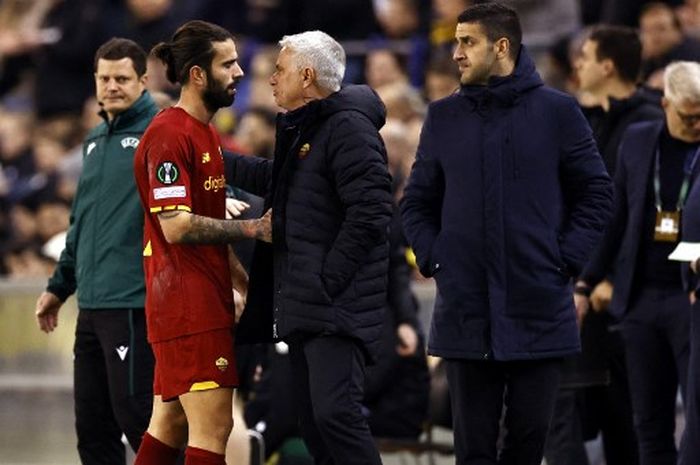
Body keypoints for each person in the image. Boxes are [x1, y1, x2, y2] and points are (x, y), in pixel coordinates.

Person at [399, 3, 614, 464]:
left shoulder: (558, 112)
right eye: (456, 41)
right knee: (472, 451)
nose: (455, 52)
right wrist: (436, 257)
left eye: (466, 42)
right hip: (466, 311)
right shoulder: (443, 117)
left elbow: (596, 193)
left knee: (528, 446)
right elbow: (416, 202)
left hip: (538, 307)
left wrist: (564, 259)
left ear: (501, 47)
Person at [228, 30, 393, 465]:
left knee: (336, 417)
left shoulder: (347, 127)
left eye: (279, 70)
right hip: (306, 305)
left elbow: (374, 212)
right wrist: (212, 154)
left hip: (333, 307)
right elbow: (276, 180)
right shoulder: (310, 129)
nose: (271, 79)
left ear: (306, 76)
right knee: (316, 422)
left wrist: (327, 279)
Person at [131, 20, 271, 465]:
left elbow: (206, 222)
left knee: (169, 424)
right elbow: (176, 226)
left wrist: (241, 279)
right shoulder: (170, 135)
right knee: (214, 428)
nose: (239, 72)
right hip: (186, 304)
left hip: (195, 297)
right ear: (197, 74)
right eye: (227, 64)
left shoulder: (206, 132)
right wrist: (252, 229)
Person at [33, 37, 159, 465]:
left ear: (143, 80)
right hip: (92, 305)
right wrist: (58, 287)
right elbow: (80, 223)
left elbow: (209, 178)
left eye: (122, 78)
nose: (112, 86)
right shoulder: (94, 140)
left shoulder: (159, 132)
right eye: (104, 78)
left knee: (139, 420)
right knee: (92, 427)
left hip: (132, 302)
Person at [545, 24, 664, 465]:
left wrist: (608, 277)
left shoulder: (650, 123)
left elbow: (641, 212)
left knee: (628, 418)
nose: (578, 65)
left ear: (608, 65)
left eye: (586, 57)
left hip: (627, 291)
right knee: (571, 408)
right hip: (580, 287)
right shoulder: (582, 121)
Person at [579, 60, 700, 465]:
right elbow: (615, 219)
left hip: (691, 299)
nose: (697, 124)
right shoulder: (638, 140)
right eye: (688, 116)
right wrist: (587, 281)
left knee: (696, 422)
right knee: (648, 421)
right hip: (640, 297)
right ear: (666, 103)